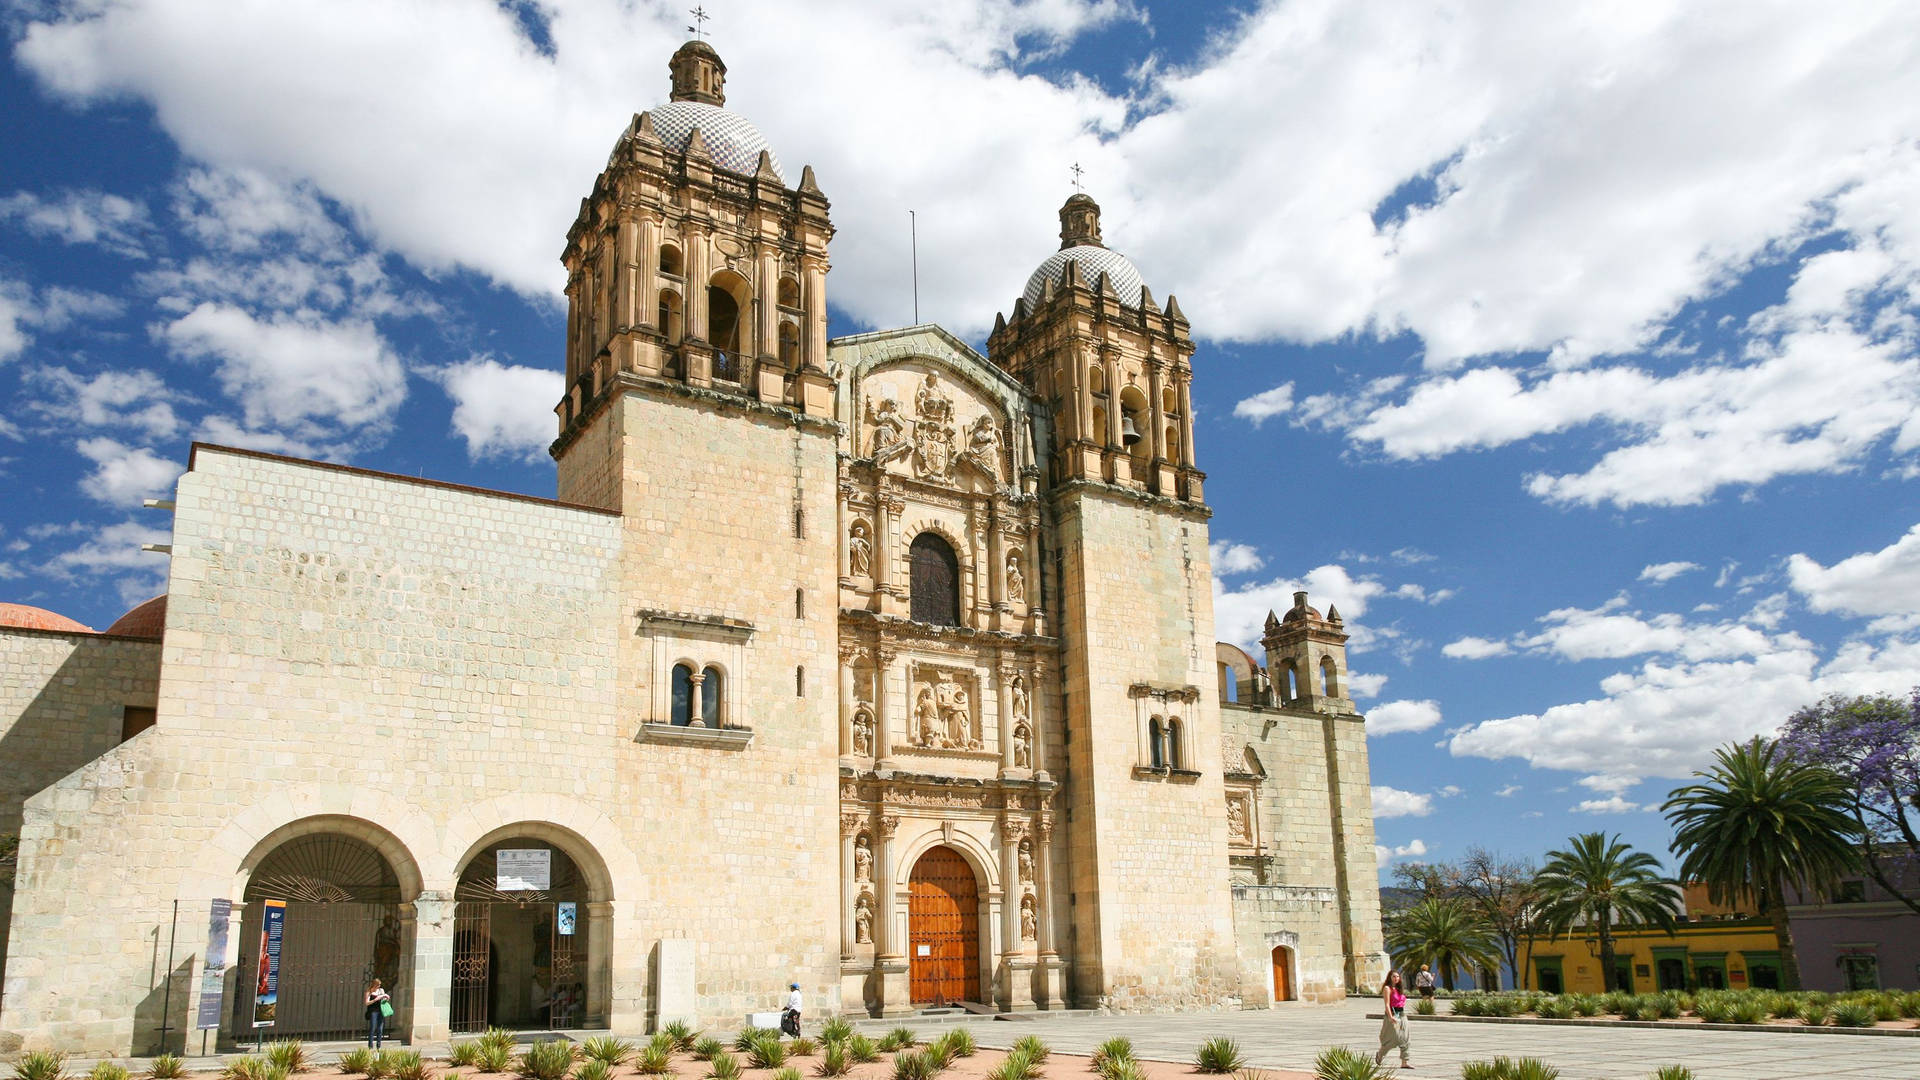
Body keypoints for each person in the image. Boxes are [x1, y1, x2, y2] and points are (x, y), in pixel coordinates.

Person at [1374, 969, 1412, 1070]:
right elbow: (1386, 1004)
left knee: (1405, 1038)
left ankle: (1404, 1062)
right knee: (1393, 1039)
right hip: (1392, 1015)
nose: (1396, 978)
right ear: (1390, 977)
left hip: (1402, 1015)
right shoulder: (1387, 988)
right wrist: (1390, 1017)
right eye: (1394, 976)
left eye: (1397, 977)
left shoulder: (1399, 989)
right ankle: (1380, 1054)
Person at [364, 978, 391, 1049]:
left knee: (380, 1029)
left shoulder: (381, 990)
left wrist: (386, 998)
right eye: (377, 985)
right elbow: (366, 1003)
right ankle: (370, 1045)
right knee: (372, 1028)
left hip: (381, 1011)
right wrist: (375, 1000)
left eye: (379, 985)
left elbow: (384, 999)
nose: (379, 986)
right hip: (373, 1011)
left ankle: (378, 1045)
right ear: (374, 984)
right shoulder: (369, 991)